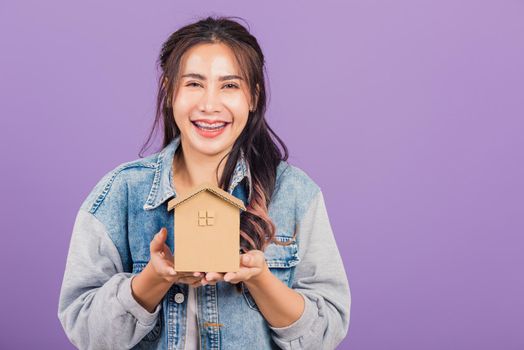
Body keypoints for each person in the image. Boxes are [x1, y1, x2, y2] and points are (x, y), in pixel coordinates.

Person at [58, 16, 351, 350]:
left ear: (253, 97)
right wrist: (153, 279)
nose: (210, 105)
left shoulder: (295, 194)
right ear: (170, 92)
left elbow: (326, 333)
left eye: (230, 85)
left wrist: (261, 280)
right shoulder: (120, 194)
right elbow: (85, 332)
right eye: (194, 84)